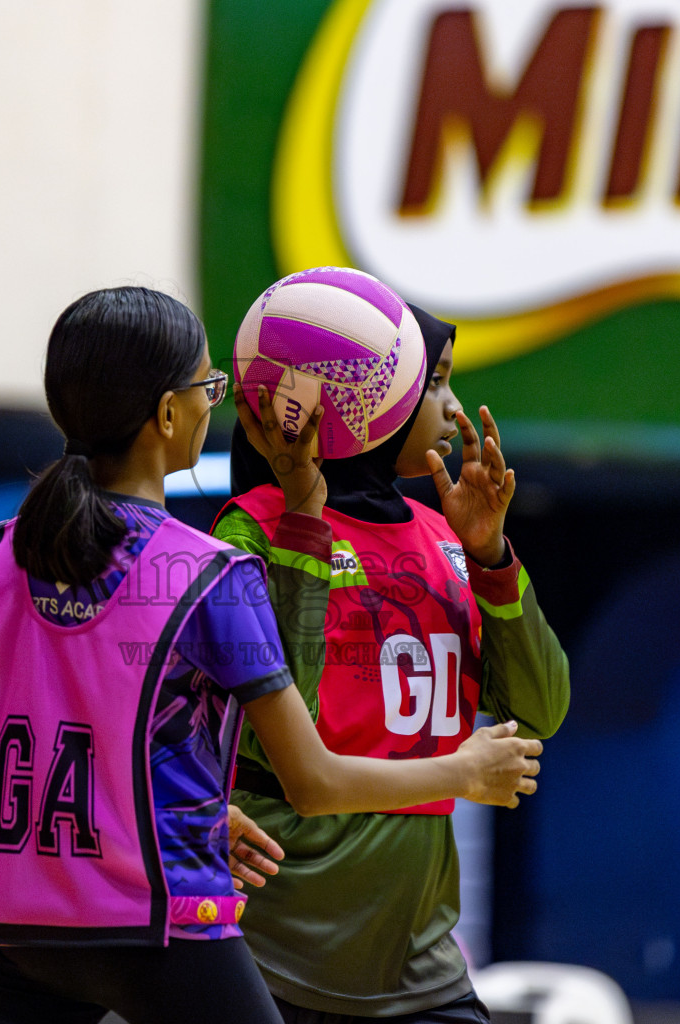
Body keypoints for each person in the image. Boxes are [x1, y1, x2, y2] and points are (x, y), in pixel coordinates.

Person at [0, 287, 542, 1024]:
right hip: (153, 914)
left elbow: (68, 735)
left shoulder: (3, 561)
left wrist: (189, 807)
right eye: (208, 387)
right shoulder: (206, 570)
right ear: (167, 415)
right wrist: (465, 771)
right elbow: (313, 782)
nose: (218, 402)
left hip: (23, 916)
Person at [216, 302, 571, 1023]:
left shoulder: (447, 534)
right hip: (274, 952)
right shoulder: (252, 525)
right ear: (365, 398)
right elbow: (292, 715)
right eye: (432, 382)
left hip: (418, 956)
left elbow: (542, 711)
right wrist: (305, 518)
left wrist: (491, 557)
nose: (450, 408)